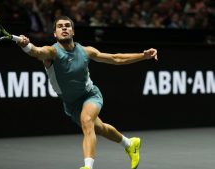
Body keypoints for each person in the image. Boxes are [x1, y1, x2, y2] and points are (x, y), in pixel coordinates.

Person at [17, 16, 158, 169]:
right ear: (55, 34)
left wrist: (143, 56)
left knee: (87, 121)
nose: (64, 28)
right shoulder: (52, 52)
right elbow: (37, 51)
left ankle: (88, 167)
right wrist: (26, 46)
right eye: (59, 26)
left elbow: (116, 58)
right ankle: (130, 143)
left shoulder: (86, 51)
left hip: (90, 95)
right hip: (71, 104)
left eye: (67, 26)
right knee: (100, 128)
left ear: (73, 31)